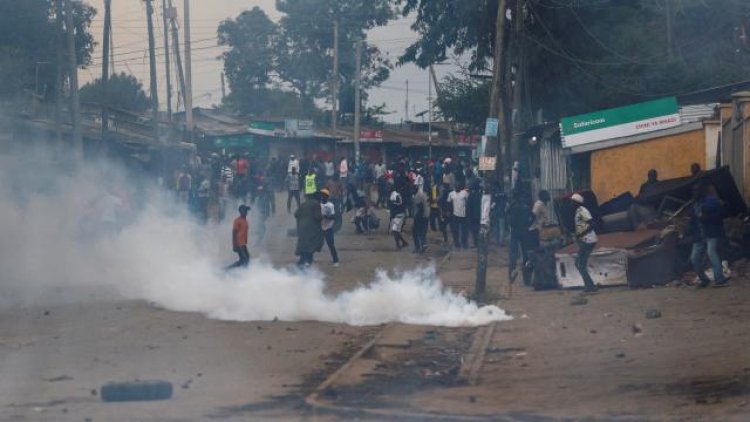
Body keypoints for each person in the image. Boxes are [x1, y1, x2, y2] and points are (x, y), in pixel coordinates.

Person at [690, 183, 729, 288]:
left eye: (697, 191)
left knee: (711, 252)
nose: (695, 193)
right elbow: (693, 221)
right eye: (694, 191)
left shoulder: (711, 201)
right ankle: (703, 279)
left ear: (702, 192)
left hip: (711, 233)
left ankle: (720, 279)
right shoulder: (694, 204)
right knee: (694, 258)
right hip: (699, 235)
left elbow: (719, 216)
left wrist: (706, 217)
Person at [571, 193, 598, 292]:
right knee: (580, 264)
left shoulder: (582, 210)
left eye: (572, 202)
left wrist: (581, 234)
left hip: (588, 240)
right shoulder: (578, 211)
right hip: (586, 240)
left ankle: (590, 286)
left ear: (576, 203)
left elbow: (592, 224)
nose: (571, 204)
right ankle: (590, 285)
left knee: (579, 263)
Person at [508, 190, 534, 282]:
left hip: (515, 233)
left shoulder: (513, 207)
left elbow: (511, 221)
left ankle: (511, 275)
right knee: (526, 255)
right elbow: (532, 217)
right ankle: (527, 278)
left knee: (513, 255)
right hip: (525, 233)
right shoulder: (526, 207)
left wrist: (513, 226)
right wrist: (527, 225)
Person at [294, 192, 324, 267]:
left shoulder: (303, 204)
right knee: (310, 248)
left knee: (304, 247)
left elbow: (296, 214)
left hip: (302, 229)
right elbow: (318, 217)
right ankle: (304, 266)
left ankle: (302, 265)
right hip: (312, 230)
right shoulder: (316, 204)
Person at [319, 189, 340, 267]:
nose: (322, 197)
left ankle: (336, 260)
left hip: (328, 228)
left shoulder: (330, 205)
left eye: (324, 195)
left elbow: (334, 216)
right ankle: (308, 260)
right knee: (313, 243)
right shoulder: (318, 204)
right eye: (322, 195)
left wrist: (326, 216)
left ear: (327, 197)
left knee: (331, 245)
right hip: (320, 228)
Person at [227, 205, 251, 269]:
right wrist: (234, 245)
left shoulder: (245, 220)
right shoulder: (237, 221)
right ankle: (230, 269)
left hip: (243, 243)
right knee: (245, 259)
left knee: (246, 259)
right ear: (240, 211)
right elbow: (234, 233)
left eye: (246, 211)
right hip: (239, 243)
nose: (246, 212)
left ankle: (230, 269)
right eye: (244, 210)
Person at [447, 184, 469, 249]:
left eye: (458, 186)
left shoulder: (464, 193)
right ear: (454, 187)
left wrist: (468, 211)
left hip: (464, 215)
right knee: (455, 230)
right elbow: (448, 203)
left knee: (464, 231)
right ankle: (457, 243)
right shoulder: (451, 194)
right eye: (456, 186)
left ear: (460, 187)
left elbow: (468, 202)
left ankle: (464, 243)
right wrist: (448, 211)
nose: (457, 187)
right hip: (455, 215)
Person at [412, 185, 430, 253]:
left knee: (415, 232)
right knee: (422, 232)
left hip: (420, 216)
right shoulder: (423, 194)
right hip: (426, 215)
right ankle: (423, 245)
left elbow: (420, 207)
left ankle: (418, 247)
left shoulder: (417, 196)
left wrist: (417, 216)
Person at [467, 180, 483, 248]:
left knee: (473, 231)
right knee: (479, 230)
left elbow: (468, 206)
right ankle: (480, 243)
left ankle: (475, 243)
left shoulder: (471, 195)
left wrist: (468, 216)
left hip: (472, 216)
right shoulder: (481, 195)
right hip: (480, 216)